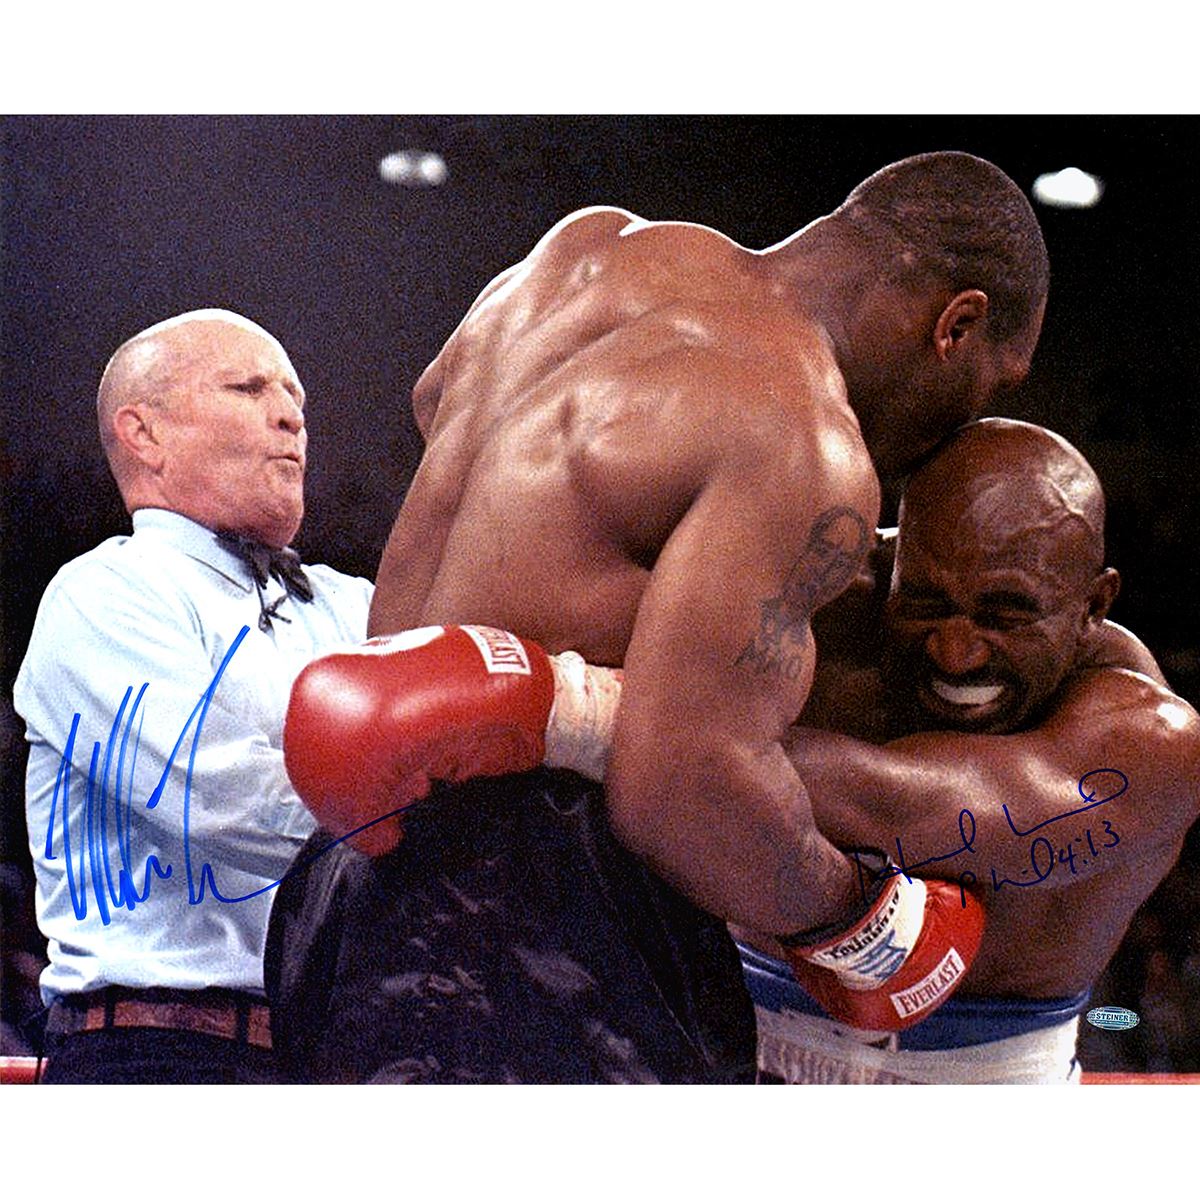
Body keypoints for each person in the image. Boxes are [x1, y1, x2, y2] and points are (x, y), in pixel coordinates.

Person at [268, 152, 1049, 1083]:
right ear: (957, 326)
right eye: (993, 387)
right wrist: (856, 914)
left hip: (348, 887)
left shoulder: (586, 250)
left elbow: (435, 394)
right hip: (544, 930)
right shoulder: (804, 438)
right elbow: (682, 790)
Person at [738, 418, 1200, 1083]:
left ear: (1094, 605)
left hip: (988, 1083)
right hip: (731, 1023)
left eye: (1006, 615)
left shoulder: (1153, 741)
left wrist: (662, 731)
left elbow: (917, 815)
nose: (956, 652)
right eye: (926, 602)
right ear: (893, 554)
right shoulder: (812, 610)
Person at [13, 309, 373, 1083]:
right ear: (145, 434)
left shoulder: (352, 606)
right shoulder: (104, 594)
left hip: (331, 1059)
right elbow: (222, 799)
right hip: (156, 1058)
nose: (290, 417)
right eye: (249, 388)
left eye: (296, 399)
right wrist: (419, 818)